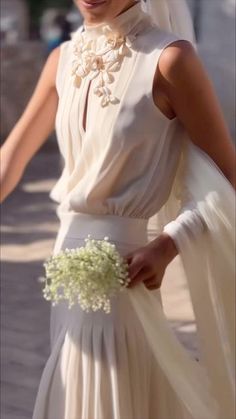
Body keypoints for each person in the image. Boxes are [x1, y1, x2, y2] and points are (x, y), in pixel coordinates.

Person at [0, 0, 235, 418]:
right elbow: (10, 160)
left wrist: (169, 244)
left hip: (128, 272)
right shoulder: (61, 59)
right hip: (66, 269)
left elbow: (227, 176)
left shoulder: (171, 59)